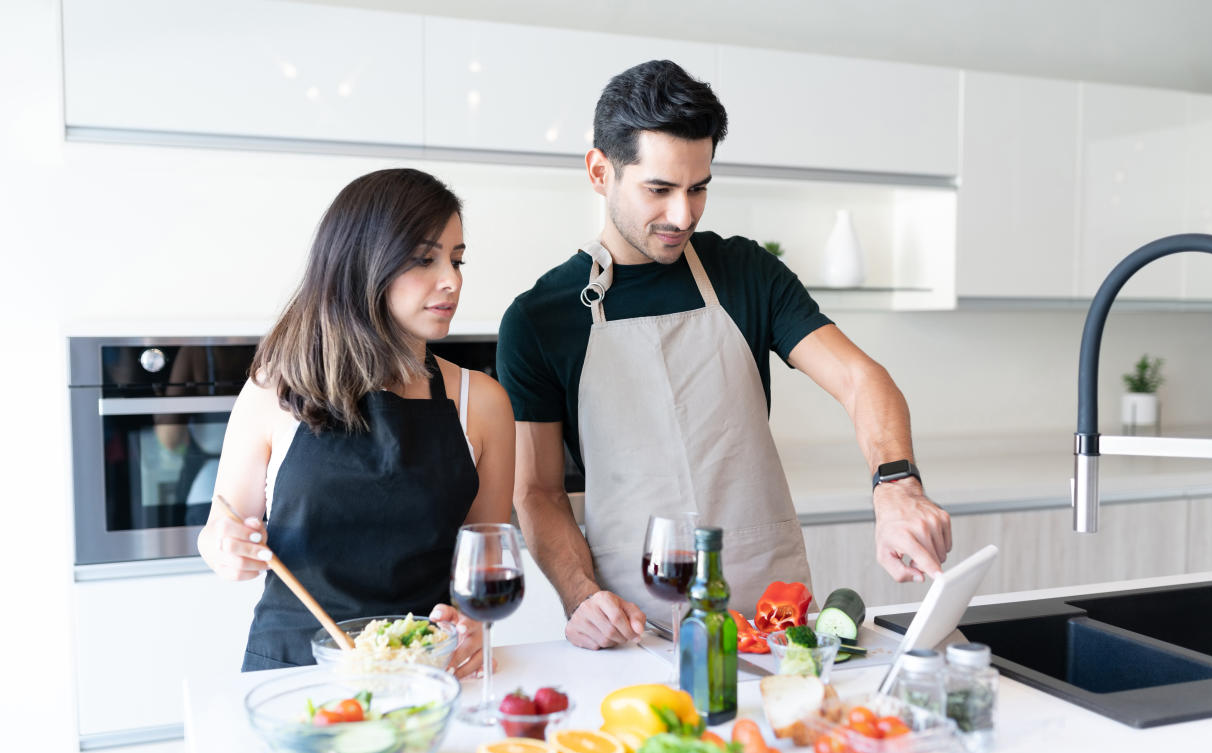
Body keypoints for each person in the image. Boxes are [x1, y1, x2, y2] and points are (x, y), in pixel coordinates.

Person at [497, 60, 952, 651]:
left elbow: (862, 380)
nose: (682, 215)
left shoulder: (744, 273)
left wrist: (897, 487)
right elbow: (537, 492)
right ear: (599, 171)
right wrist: (581, 596)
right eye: (659, 190)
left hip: (771, 610)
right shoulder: (540, 317)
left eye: (698, 188)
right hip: (634, 625)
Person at [199, 168, 515, 675]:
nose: (452, 280)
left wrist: (474, 623)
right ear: (362, 264)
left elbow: (485, 569)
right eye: (424, 259)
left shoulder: (484, 403)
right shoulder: (273, 389)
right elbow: (223, 529)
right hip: (291, 677)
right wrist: (225, 548)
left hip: (425, 676)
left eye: (456, 260)